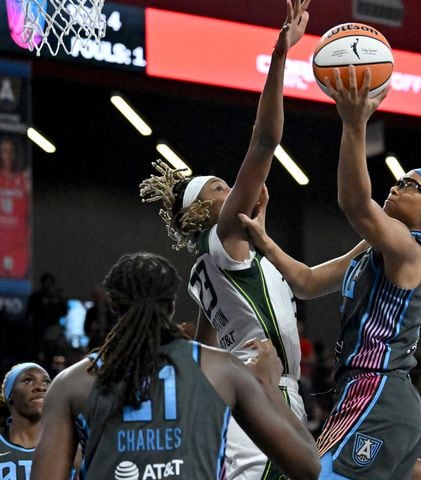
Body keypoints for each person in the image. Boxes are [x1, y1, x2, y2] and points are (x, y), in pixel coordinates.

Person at [239, 66, 421, 479]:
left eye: (411, 186)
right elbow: (306, 282)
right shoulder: (377, 245)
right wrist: (265, 242)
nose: (396, 186)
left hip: (381, 394)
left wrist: (354, 123)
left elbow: (355, 203)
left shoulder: (413, 250)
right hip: (362, 395)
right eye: (400, 180)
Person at [139, 1, 312, 478]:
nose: (233, 190)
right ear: (202, 211)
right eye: (221, 188)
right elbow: (264, 141)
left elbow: (207, 338)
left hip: (251, 391)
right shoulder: (225, 234)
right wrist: (280, 57)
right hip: (262, 391)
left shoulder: (210, 265)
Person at [30, 252, 320, 480]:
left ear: (115, 305)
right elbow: (308, 469)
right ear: (171, 304)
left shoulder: (72, 382)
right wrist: (268, 387)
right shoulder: (222, 369)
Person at [0, 362, 51, 480]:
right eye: (28, 380)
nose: (41, 387)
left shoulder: (72, 450)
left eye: (47, 382)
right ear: (10, 394)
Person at [0, 134, 30, 279]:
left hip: (18, 245)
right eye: (5, 151)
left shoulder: (23, 179)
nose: (9, 156)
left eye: (12, 151)